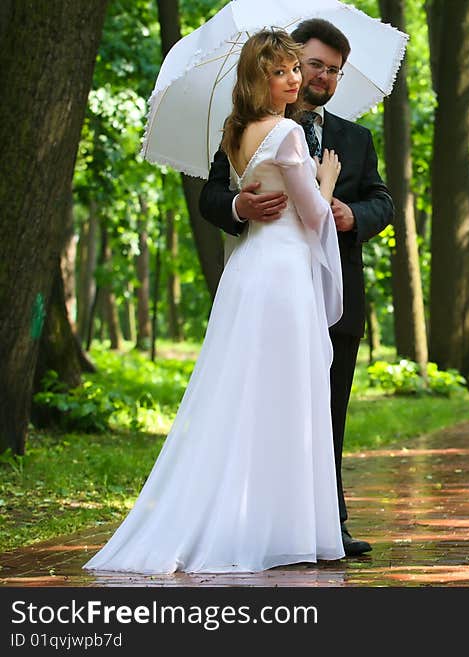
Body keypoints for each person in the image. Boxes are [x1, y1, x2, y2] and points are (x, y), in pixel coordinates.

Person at [84, 29, 345, 573]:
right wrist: (326, 180)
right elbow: (316, 218)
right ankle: (276, 529)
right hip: (282, 273)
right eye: (281, 72)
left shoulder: (237, 132)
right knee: (283, 395)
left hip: (248, 270)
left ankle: (251, 520)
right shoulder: (290, 134)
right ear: (258, 78)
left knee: (245, 393)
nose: (295, 80)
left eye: (296, 69)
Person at [199, 19, 394, 556]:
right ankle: (262, 521)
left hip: (335, 296)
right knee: (267, 405)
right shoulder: (251, 126)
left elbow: (384, 201)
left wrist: (350, 214)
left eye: (334, 70)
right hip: (277, 286)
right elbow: (214, 194)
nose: (323, 77)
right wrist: (240, 205)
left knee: (326, 412)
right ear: (287, 65)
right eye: (313, 66)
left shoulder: (356, 138)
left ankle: (329, 522)